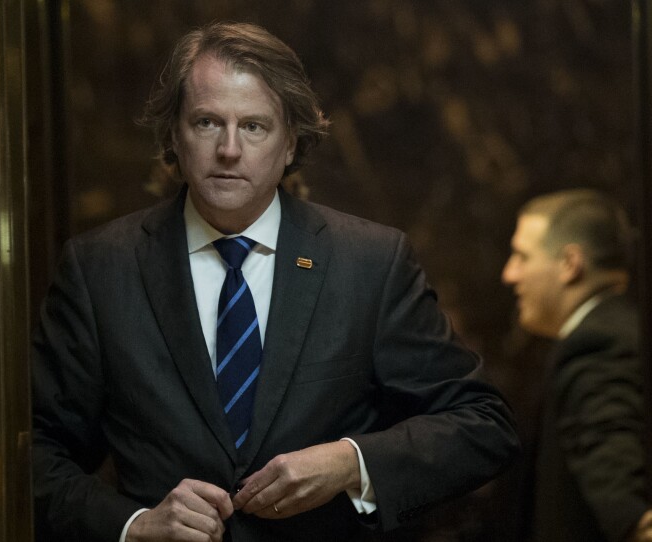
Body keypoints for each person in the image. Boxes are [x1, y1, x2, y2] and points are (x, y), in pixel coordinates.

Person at [32, 21, 519, 542]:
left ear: (291, 143)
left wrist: (349, 463)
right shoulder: (101, 268)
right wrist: (133, 525)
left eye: (255, 127)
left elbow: (484, 425)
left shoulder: (369, 263)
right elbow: (33, 453)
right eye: (206, 122)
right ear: (174, 135)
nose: (228, 149)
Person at [502, 189, 652, 542]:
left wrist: (630, 518)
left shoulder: (597, 344)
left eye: (522, 256)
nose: (510, 274)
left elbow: (620, 497)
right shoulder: (619, 328)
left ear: (570, 264)